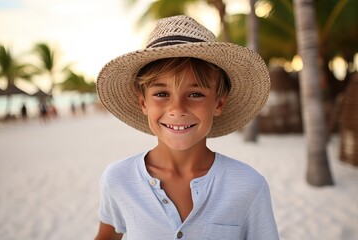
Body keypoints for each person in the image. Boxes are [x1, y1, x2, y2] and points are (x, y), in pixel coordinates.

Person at [95, 15, 279, 240]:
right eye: (161, 94)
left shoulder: (249, 186)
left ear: (219, 103)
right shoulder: (118, 179)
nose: (177, 109)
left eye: (195, 94)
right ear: (143, 103)